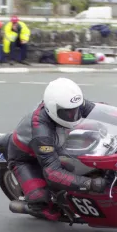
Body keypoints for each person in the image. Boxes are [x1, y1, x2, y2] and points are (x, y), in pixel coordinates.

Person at [6, 78, 107, 221]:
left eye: (76, 110)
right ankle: (34, 207)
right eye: (68, 113)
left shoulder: (71, 104)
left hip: (56, 143)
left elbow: (99, 111)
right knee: (44, 202)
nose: (74, 115)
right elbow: (52, 173)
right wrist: (89, 184)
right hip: (26, 158)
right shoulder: (41, 131)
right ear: (53, 109)